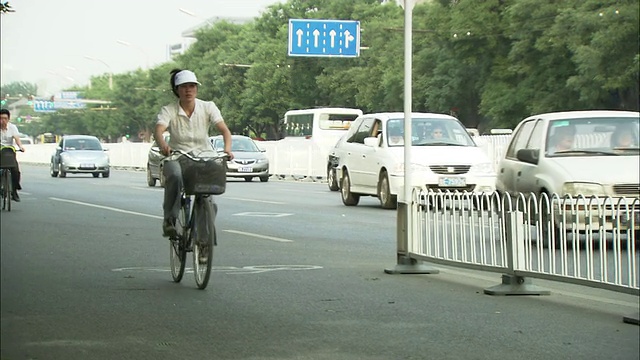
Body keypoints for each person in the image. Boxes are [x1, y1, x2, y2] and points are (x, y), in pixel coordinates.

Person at [154, 69, 234, 237]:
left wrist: (227, 149)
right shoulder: (169, 110)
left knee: (210, 197)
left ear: (197, 89)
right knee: (174, 175)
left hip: (203, 156)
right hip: (178, 156)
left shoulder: (208, 107)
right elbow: (159, 131)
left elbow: (225, 131)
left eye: (192, 86)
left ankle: (204, 241)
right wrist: (164, 146)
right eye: (184, 87)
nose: (188, 90)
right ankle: (169, 220)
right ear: (177, 90)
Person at [0, 108, 26, 202]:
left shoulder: (12, 127)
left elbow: (16, 138)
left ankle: (14, 191)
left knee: (15, 170)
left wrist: (21, 146)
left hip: (9, 151)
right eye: (1, 118)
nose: (3, 121)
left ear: (8, 119)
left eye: (5, 118)